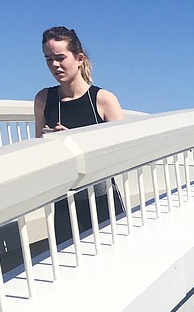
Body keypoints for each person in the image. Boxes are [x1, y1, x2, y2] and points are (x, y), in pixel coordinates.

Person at [34, 27, 125, 243]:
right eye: (48, 59)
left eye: (60, 58)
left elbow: (122, 155)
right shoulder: (44, 99)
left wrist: (76, 141)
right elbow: (38, 150)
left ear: (79, 58)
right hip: (64, 202)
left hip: (102, 200)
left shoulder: (103, 100)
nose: (54, 65)